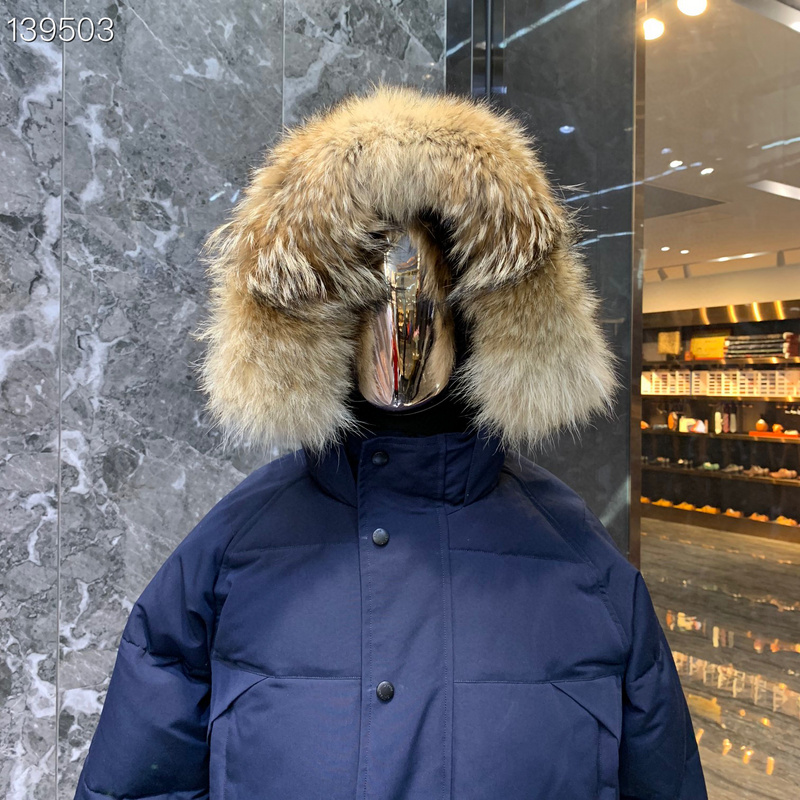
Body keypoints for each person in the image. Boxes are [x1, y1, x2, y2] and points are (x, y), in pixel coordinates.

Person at [74, 85, 707, 799]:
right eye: (373, 299)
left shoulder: (580, 561)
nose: (401, 331)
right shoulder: (228, 553)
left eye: (427, 298)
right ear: (319, 321)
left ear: (488, 315)